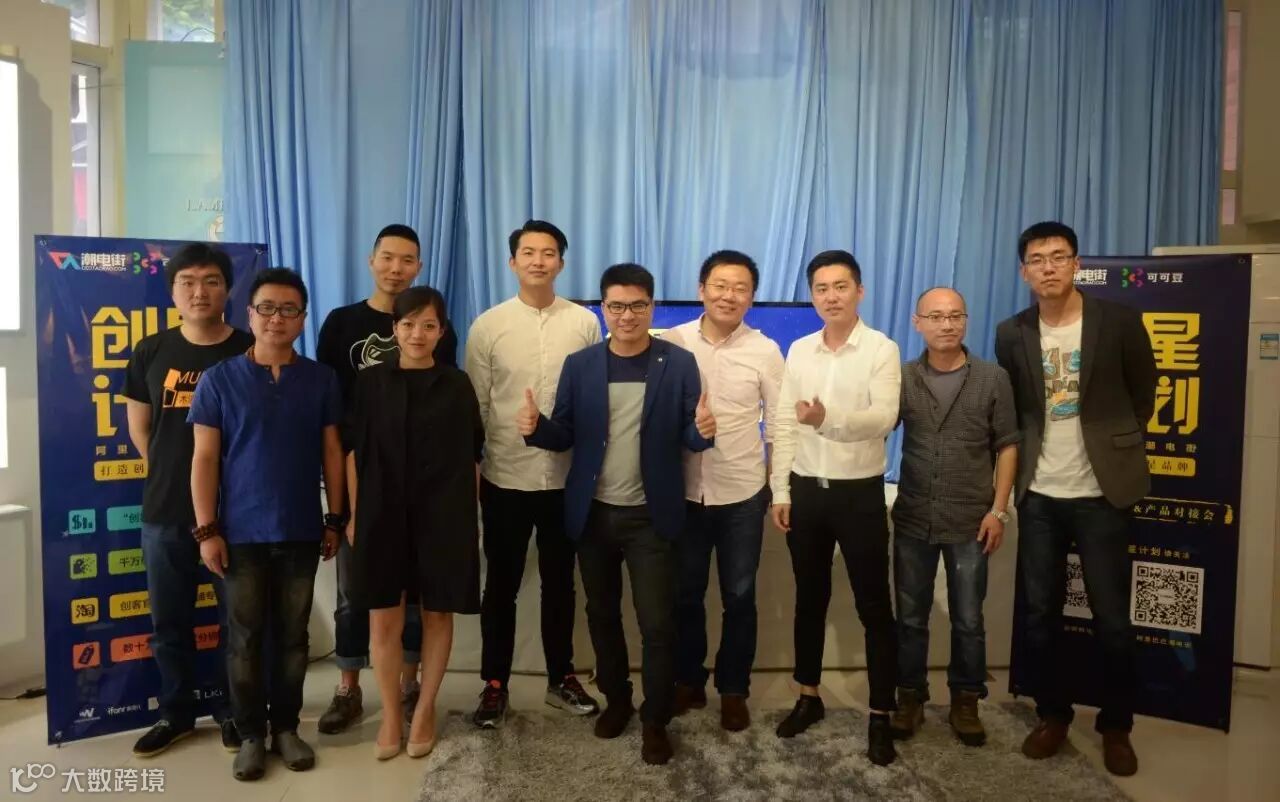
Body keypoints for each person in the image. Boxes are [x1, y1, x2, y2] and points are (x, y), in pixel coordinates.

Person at [519, 263, 716, 765]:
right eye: (616, 306)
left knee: (657, 625)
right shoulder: (581, 365)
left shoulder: (678, 362)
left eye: (637, 306)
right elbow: (565, 433)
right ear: (603, 309)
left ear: (651, 307)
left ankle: (655, 718)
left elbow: (690, 435)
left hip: (652, 517)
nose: (627, 315)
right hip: (594, 516)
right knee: (601, 615)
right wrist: (536, 428)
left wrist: (703, 431)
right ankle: (618, 700)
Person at [994, 221, 1155, 777]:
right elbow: (1015, 410)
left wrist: (1113, 447)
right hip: (1039, 494)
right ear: (1024, 271)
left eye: (1059, 256)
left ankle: (1116, 725)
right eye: (1037, 259)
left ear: (1076, 264)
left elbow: (1144, 393)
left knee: (1112, 618)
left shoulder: (1118, 321)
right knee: (1041, 615)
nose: (1049, 267)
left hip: (1101, 493)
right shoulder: (1012, 332)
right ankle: (1054, 714)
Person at [188, 268, 345, 781]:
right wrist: (207, 530)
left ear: (303, 318)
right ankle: (251, 733)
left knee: (294, 637)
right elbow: (204, 459)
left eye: (289, 310)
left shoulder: (320, 379)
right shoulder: (219, 379)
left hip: (300, 529)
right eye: (267, 308)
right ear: (250, 315)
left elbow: (332, 453)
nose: (277, 318)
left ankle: (287, 728)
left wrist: (334, 518)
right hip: (240, 535)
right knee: (245, 638)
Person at [314, 224, 457, 734]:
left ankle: (409, 686)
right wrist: (345, 506)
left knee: (416, 598)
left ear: (419, 265)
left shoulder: (436, 326)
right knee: (357, 594)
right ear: (371, 260)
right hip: (362, 480)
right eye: (388, 257)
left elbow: (444, 410)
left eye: (407, 259)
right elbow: (332, 415)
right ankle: (348, 687)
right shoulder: (341, 323)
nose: (396, 268)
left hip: (423, 491)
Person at [464, 220, 602, 728]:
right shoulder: (488, 326)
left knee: (561, 583)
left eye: (548, 253)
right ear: (512, 262)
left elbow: (591, 402)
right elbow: (477, 405)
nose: (538, 261)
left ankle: (561, 677)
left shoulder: (584, 323)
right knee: (501, 585)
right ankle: (494, 685)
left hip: (565, 479)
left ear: (561, 263)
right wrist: (474, 468)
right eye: (528, 252)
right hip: (505, 476)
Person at [769, 250, 901, 766]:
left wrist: (827, 420)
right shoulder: (800, 349)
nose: (831, 296)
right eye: (821, 288)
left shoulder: (881, 349)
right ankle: (809, 696)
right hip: (807, 491)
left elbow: (883, 417)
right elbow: (784, 422)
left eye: (840, 286)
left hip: (859, 493)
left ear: (859, 291)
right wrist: (781, 490)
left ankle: (881, 714)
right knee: (809, 599)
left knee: (874, 606)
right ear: (812, 295)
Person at [123, 243, 254, 757]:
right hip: (165, 512)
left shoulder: (248, 347)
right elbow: (142, 430)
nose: (200, 292)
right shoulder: (150, 351)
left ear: (228, 290)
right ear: (173, 292)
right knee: (169, 624)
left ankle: (231, 711)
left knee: (235, 624)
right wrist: (172, 471)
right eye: (188, 282)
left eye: (211, 281)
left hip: (238, 513)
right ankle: (175, 714)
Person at [345, 286, 483, 760]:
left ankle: (424, 709)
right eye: (408, 325)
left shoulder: (457, 385)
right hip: (381, 512)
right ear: (394, 329)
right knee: (383, 614)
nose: (417, 334)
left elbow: (473, 457)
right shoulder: (370, 383)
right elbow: (353, 453)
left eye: (428, 325)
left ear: (442, 332)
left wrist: (470, 518)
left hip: (444, 514)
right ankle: (390, 713)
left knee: (437, 611)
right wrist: (354, 515)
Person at [889, 287, 1019, 747]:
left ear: (965, 320)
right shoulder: (903, 377)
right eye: (936, 316)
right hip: (914, 516)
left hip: (971, 519)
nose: (946, 324)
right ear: (917, 322)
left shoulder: (992, 378)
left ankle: (966, 700)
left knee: (968, 617)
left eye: (955, 316)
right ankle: (909, 696)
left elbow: (1008, 445)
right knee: (910, 617)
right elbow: (874, 428)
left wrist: (998, 510)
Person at [661, 250, 783, 731]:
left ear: (751, 297)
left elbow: (780, 425)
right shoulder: (673, 341)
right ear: (701, 290)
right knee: (685, 595)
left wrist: (779, 487)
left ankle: (734, 689)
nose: (729, 295)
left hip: (742, 493)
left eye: (740, 288)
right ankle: (688, 680)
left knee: (740, 596)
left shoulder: (765, 350)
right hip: (685, 492)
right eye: (720, 285)